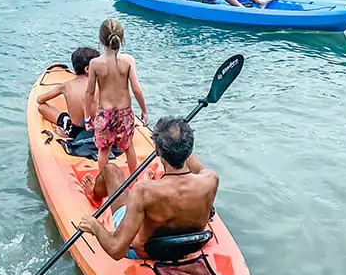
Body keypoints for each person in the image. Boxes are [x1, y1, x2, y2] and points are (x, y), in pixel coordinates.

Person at [79, 116, 218, 260]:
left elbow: (116, 250)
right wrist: (181, 149)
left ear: (157, 151)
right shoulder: (211, 180)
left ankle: (94, 194)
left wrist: (94, 226)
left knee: (111, 170)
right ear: (189, 150)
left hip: (145, 253)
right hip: (185, 248)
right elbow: (193, 165)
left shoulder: (143, 191)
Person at [85, 18, 147, 178]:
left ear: (100, 40)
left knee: (103, 150)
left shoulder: (95, 63)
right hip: (124, 113)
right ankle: (134, 179)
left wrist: (87, 117)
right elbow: (136, 89)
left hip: (104, 114)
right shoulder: (128, 61)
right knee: (128, 147)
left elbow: (89, 92)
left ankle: (105, 182)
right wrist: (144, 111)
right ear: (121, 38)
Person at [37, 47, 99, 136]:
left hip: (75, 131)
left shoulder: (66, 86)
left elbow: (40, 100)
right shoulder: (100, 85)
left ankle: (65, 122)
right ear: (87, 69)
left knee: (42, 107)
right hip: (97, 128)